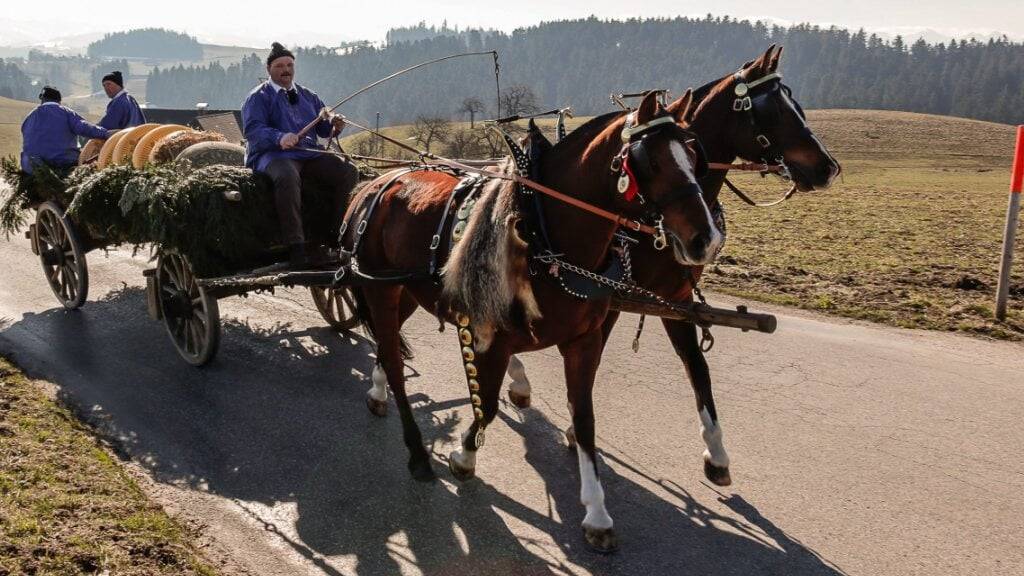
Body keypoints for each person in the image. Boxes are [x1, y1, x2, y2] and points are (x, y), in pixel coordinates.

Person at [241, 42, 359, 269]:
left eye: (289, 65)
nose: (285, 69)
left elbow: (324, 131)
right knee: (286, 176)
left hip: (307, 154)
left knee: (348, 171)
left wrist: (336, 125)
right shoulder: (258, 97)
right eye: (279, 66)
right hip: (271, 156)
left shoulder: (308, 95)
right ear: (269, 70)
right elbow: (252, 130)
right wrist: (279, 137)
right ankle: (296, 246)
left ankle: (337, 236)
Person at [20, 86, 111, 174]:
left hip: (31, 166)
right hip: (62, 163)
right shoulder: (65, 113)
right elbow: (84, 128)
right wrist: (105, 133)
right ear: (59, 100)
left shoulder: (30, 117)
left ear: (43, 99)